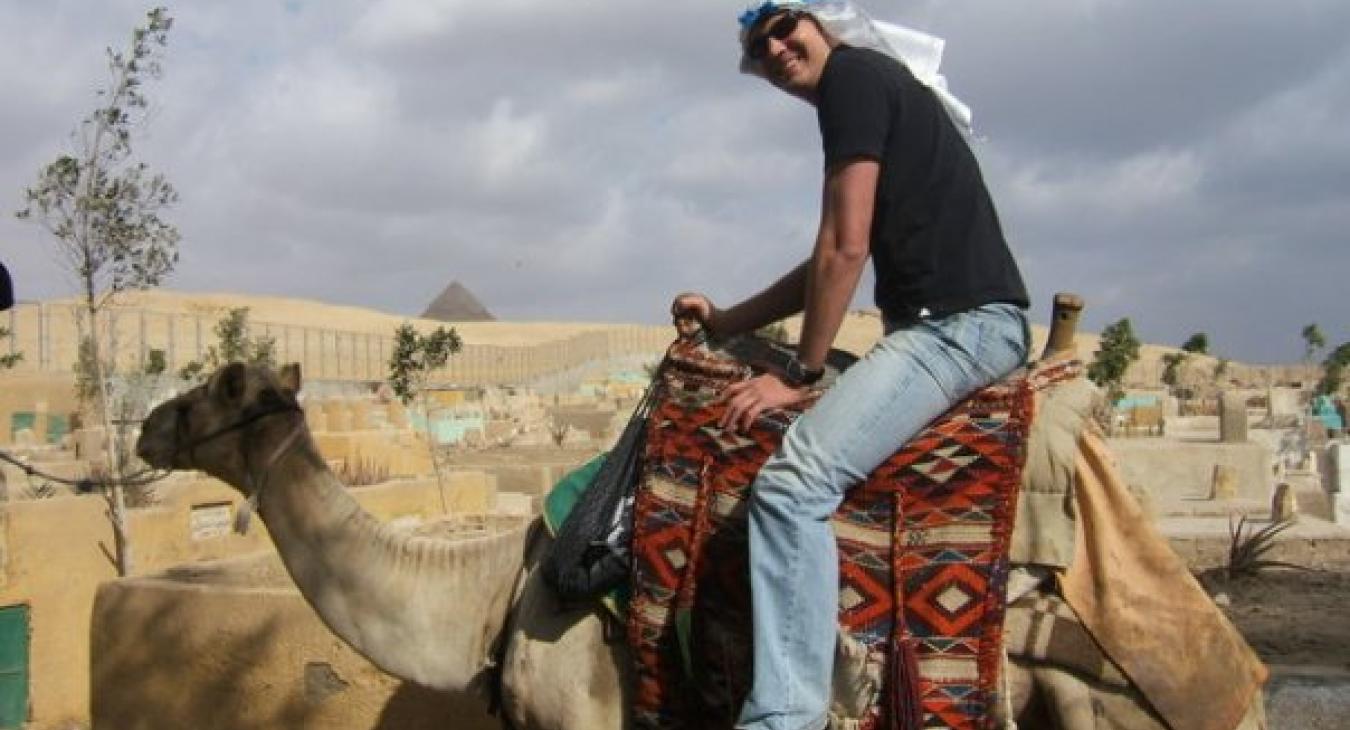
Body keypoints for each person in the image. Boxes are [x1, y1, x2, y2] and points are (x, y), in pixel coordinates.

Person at [669, 2, 1031, 728]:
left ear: (823, 23)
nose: (775, 47)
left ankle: (785, 716)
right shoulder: (870, 84)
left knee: (792, 486)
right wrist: (729, 321)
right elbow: (827, 254)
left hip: (957, 330)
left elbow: (846, 247)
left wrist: (798, 375)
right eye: (758, 42)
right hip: (946, 327)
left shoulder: (853, 82)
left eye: (784, 26)